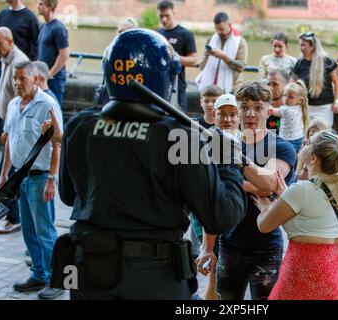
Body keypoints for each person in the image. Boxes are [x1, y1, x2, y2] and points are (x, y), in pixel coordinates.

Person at [58, 29, 247, 300]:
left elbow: (67, 195)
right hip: (153, 276)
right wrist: (227, 159)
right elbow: (221, 216)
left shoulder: (80, 125)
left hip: (89, 270)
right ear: (166, 77)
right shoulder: (181, 136)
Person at [198, 81, 296, 300]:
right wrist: (207, 247)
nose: (250, 113)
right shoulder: (222, 145)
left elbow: (270, 182)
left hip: (266, 247)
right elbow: (213, 199)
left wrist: (234, 171)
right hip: (229, 243)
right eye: (244, 107)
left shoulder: (281, 147)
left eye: (258, 107)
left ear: (269, 112)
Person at [254, 130, 338, 300]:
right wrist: (285, 196)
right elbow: (316, 215)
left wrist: (264, 207)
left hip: (308, 270)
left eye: (310, 142)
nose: (305, 142)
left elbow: (264, 225)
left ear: (314, 158)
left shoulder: (301, 190)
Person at [0, 61, 63, 299]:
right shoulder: (14, 104)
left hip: (39, 178)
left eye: (22, 79)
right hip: (20, 177)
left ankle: (56, 280)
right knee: (28, 230)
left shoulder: (47, 105)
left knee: (45, 230)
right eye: (15, 79)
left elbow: (57, 142)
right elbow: (9, 141)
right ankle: (38, 274)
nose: (17, 83)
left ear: (35, 79)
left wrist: (52, 179)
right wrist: (4, 174)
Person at [196, 93, 240, 300]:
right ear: (214, 115)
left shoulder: (245, 140)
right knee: (215, 276)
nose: (228, 119)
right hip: (209, 220)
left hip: (234, 217)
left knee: (222, 278)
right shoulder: (206, 140)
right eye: (222, 114)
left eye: (233, 114)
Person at [0, 27, 29, 234]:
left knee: (8, 172)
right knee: (7, 172)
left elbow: (21, 98)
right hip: (8, 125)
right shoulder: (5, 58)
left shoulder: (18, 62)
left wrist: (10, 129)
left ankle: (15, 217)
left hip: (15, 128)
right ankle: (13, 216)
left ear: (9, 42)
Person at [293, 32, 338, 128]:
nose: (300, 48)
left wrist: (337, 102)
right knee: (307, 134)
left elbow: (336, 81)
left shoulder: (327, 61)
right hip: (306, 107)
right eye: (300, 45)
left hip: (325, 107)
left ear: (312, 46)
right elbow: (293, 84)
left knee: (323, 134)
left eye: (303, 45)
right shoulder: (299, 63)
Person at [157, 0, 197, 112]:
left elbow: (193, 60)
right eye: (161, 16)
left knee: (178, 122)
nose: (164, 19)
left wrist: (174, 56)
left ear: (174, 13)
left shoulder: (185, 34)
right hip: (160, 85)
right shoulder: (158, 34)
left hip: (178, 86)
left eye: (167, 16)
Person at [196, 12, 248, 94]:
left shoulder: (240, 42)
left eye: (221, 29)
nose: (219, 32)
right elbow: (201, 67)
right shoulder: (211, 40)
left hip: (232, 88)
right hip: (210, 89)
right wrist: (206, 56)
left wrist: (223, 57)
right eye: (216, 29)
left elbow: (241, 67)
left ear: (229, 25)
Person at [37, 0, 69, 108]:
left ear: (50, 7)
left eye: (41, 4)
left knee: (54, 112)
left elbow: (64, 54)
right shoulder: (43, 26)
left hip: (54, 80)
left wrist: (50, 74)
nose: (38, 6)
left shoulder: (58, 28)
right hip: (43, 78)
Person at [269, 80, 309, 154]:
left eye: (290, 97)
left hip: (287, 140)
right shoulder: (300, 107)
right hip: (300, 138)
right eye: (284, 95)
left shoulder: (285, 110)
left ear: (300, 100)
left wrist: (265, 103)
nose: (286, 98)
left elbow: (271, 111)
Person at [266, 69, 290, 135]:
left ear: (286, 86)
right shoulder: (262, 109)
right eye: (268, 84)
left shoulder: (293, 111)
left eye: (275, 84)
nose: (270, 88)